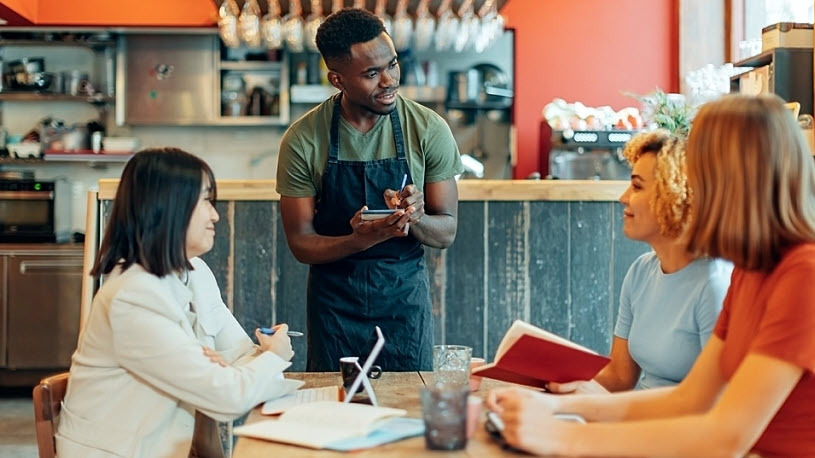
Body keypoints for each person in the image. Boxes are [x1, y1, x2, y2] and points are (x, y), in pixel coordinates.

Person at [486, 94, 815, 456]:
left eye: (701, 173)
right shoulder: (751, 271)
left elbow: (726, 437)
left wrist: (563, 438)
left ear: (735, 181)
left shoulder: (803, 275)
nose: (690, 191)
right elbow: (688, 398)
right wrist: (556, 407)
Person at [56, 148, 297, 458]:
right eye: (206, 201)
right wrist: (274, 355)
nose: (215, 214)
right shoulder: (133, 297)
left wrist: (240, 365)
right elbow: (228, 397)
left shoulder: (194, 270)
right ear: (169, 207)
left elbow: (239, 354)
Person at [276, 8, 463, 371]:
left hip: (404, 305)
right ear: (337, 79)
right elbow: (300, 243)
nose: (389, 80)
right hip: (334, 308)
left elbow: (447, 232)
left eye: (392, 65)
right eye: (372, 74)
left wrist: (416, 218)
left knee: (408, 417)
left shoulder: (427, 129)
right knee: (335, 412)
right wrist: (356, 240)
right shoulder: (303, 140)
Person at [548, 130, 732, 394]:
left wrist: (588, 404)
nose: (623, 198)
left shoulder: (714, 285)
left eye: (636, 186)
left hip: (672, 429)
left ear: (674, 196)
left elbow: (713, 405)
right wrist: (548, 382)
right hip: (632, 419)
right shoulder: (641, 271)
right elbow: (619, 377)